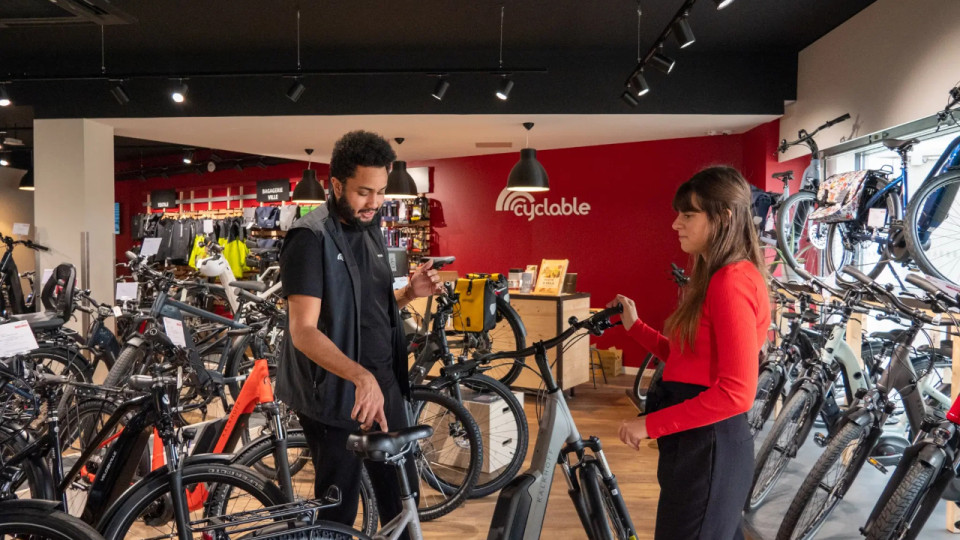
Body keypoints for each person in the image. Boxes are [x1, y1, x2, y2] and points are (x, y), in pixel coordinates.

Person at [277, 130, 442, 535]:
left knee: (403, 500)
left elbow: (363, 307)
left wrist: (407, 294)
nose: (375, 203)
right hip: (336, 394)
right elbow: (303, 331)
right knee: (339, 511)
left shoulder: (370, 226)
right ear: (336, 184)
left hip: (383, 384)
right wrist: (359, 376)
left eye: (382, 191)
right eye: (364, 192)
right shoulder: (309, 238)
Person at [610, 166, 770, 540]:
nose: (675, 224)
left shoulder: (731, 282)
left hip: (709, 446)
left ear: (723, 218)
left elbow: (736, 393)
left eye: (688, 214)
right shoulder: (717, 276)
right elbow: (688, 358)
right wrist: (635, 326)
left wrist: (647, 425)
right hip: (696, 443)